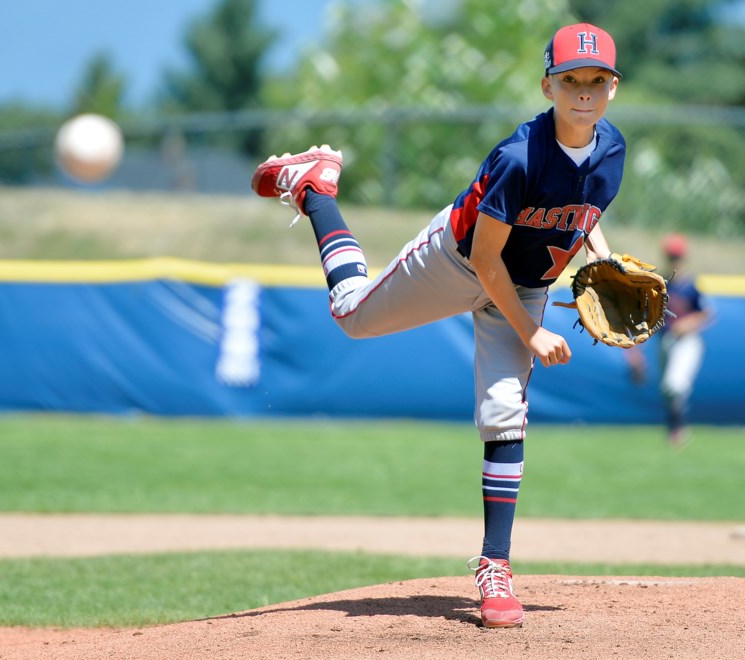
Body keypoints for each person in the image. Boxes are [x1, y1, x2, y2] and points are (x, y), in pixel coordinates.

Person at [251, 22, 626, 628]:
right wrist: (530, 334)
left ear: (613, 87)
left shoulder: (612, 149)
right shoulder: (518, 158)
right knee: (351, 313)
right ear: (548, 85)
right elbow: (483, 260)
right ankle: (315, 187)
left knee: (505, 409)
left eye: (597, 81)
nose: (584, 92)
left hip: (527, 283)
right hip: (455, 261)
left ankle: (495, 567)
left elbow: (582, 214)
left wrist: (601, 258)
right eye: (570, 80)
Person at [625, 233, 713, 446]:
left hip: (688, 341)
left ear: (683, 257)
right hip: (664, 342)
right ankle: (675, 429)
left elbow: (706, 313)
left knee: (674, 385)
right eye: (671, 256)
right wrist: (634, 353)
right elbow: (642, 319)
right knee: (667, 391)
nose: (674, 259)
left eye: (677, 256)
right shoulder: (660, 285)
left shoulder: (690, 285)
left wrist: (687, 324)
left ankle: (678, 429)